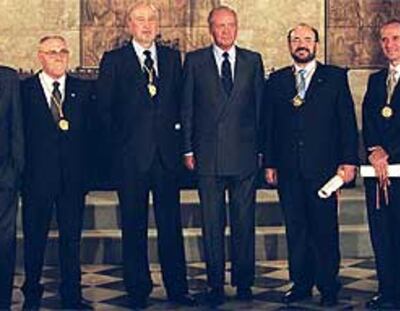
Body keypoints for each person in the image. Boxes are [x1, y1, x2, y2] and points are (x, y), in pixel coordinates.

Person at [96, 2, 194, 309]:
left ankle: (177, 289)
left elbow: (181, 105)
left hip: (166, 158)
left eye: (152, 19)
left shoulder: (171, 57)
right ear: (129, 25)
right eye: (140, 20)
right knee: (134, 225)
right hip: (131, 161)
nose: (147, 25)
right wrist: (120, 151)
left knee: (170, 226)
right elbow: (104, 112)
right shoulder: (114, 60)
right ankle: (137, 289)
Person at [264, 23, 359, 307]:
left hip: (325, 171)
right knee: (297, 229)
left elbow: (346, 123)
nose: (301, 44)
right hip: (289, 169)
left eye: (307, 39)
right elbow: (268, 127)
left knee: (324, 229)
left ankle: (328, 285)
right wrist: (269, 163)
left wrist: (348, 161)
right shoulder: (277, 80)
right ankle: (301, 284)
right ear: (289, 45)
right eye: (296, 39)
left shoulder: (334, 78)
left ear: (316, 45)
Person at [181, 5, 264, 306]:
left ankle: (244, 282)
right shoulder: (194, 61)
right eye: (220, 25)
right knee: (212, 224)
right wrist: (187, 148)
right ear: (210, 29)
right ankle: (215, 284)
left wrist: (262, 152)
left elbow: (260, 110)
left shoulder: (253, 61)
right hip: (208, 157)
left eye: (230, 25)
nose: (226, 31)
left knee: (244, 222)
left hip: (243, 157)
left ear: (237, 27)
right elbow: (187, 108)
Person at [20, 35, 91, 310]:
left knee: (71, 240)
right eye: (52, 52)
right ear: (40, 56)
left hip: (73, 180)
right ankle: (32, 291)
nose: (58, 56)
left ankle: (72, 294)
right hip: (36, 180)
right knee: (34, 237)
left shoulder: (81, 90)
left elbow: (92, 136)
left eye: (62, 51)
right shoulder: (24, 91)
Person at [362, 19, 400, 309]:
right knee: (381, 233)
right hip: (377, 172)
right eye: (384, 39)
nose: (389, 44)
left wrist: (387, 153)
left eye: (395, 38)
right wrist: (373, 150)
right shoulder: (374, 80)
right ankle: (387, 291)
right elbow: (369, 121)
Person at [0, 66, 24, 310]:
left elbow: (16, 125)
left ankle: (3, 301)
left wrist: (16, 170)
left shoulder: (7, 77)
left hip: (3, 178)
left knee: (4, 244)